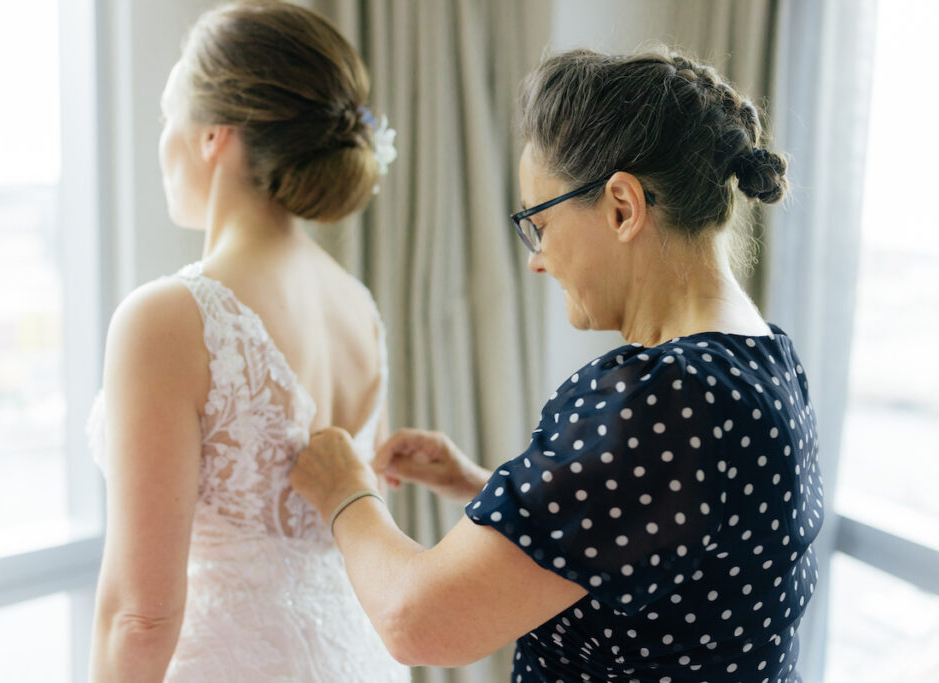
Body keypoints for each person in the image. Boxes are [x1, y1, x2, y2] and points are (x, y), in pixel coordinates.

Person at [291, 48, 822, 682]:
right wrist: (476, 485)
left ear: (621, 207)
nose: (537, 259)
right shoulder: (766, 360)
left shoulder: (664, 400)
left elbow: (416, 621)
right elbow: (661, 537)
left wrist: (344, 491)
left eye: (538, 223)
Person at [86, 1, 406, 681]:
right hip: (356, 658)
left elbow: (140, 617)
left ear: (212, 137)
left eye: (168, 116)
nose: (162, 138)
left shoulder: (167, 318)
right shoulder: (358, 305)